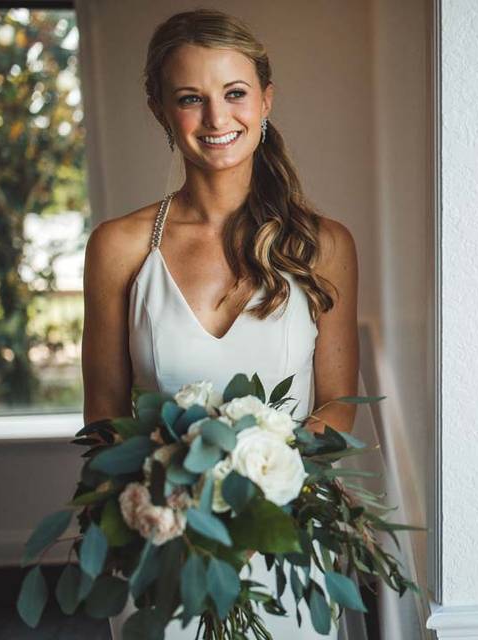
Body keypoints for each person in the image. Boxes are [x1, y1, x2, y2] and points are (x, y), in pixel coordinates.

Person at [82, 9, 358, 639]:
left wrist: (261, 489)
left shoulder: (325, 246)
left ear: (265, 100)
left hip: (286, 541)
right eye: (190, 99)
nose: (216, 119)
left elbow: (341, 402)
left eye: (234, 93)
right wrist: (170, 504)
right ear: (159, 110)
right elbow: (102, 415)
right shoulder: (120, 247)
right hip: (169, 549)